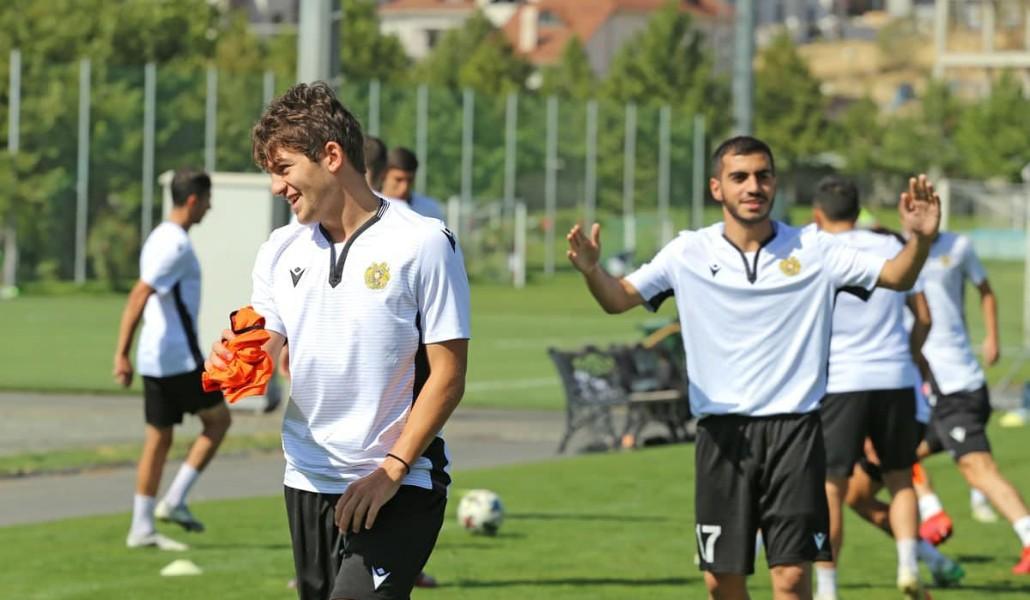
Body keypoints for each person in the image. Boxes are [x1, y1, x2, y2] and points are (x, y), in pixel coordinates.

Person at [566, 136, 940, 600]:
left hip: (796, 432)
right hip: (723, 436)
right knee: (721, 581)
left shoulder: (814, 248)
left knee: (792, 577)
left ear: (775, 184)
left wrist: (921, 239)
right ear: (716, 188)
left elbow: (898, 276)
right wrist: (592, 271)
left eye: (762, 176)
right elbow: (618, 298)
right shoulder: (688, 252)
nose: (752, 186)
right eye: (739, 177)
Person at [206, 81, 471, 600]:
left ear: (331, 156)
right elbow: (263, 346)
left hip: (399, 482)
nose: (275, 187)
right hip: (307, 480)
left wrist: (391, 471)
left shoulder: (424, 243)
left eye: (283, 169)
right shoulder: (279, 249)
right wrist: (237, 361)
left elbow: (449, 375)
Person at [809, 176, 931, 599]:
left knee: (831, 487)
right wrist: (909, 357)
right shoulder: (891, 244)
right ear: (858, 208)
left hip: (841, 381)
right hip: (895, 377)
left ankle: (827, 588)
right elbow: (924, 317)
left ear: (817, 214)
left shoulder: (816, 250)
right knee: (901, 479)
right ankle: (908, 566)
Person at [113, 168, 232, 551]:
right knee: (218, 421)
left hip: (155, 355)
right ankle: (175, 500)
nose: (209, 208)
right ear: (193, 200)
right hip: (178, 358)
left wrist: (129, 353)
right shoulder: (176, 245)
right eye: (208, 200)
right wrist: (120, 353)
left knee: (159, 438)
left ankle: (142, 526)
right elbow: (140, 294)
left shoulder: (159, 236)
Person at [917, 227, 1030, 574]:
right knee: (895, 455)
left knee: (978, 469)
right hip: (927, 388)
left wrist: (993, 337)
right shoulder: (894, 250)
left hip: (957, 385)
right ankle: (932, 515)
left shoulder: (959, 246)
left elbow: (986, 291)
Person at [380, 147, 447, 223]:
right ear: (383, 175)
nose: (404, 187)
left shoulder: (430, 210)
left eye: (410, 180)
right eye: (398, 179)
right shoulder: (371, 208)